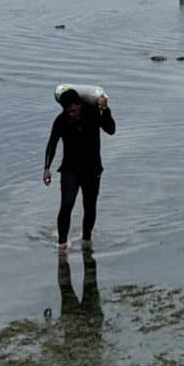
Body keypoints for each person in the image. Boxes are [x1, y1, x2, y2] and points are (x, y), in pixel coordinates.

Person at [42, 85, 116, 256]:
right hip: (70, 169)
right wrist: (47, 168)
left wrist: (105, 108)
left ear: (80, 105)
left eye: (74, 110)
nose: (71, 114)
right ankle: (61, 245)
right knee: (66, 204)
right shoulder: (61, 120)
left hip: (92, 168)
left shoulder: (94, 113)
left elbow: (111, 130)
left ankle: (87, 240)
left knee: (89, 206)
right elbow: (52, 144)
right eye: (68, 111)